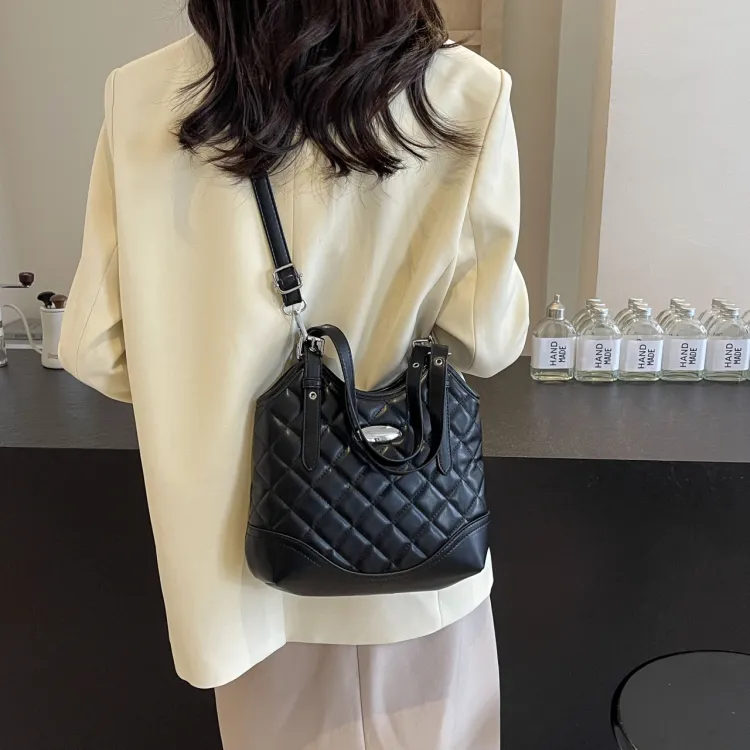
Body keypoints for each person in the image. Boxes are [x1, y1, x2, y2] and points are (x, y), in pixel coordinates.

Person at [59, 1, 529, 748]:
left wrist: (202, 384)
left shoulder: (144, 93)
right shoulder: (464, 90)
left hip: (241, 570)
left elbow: (95, 347)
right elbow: (487, 341)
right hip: (413, 544)